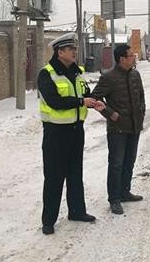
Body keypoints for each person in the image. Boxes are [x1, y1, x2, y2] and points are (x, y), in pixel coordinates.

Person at [37, 32, 105, 235]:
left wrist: (93, 101)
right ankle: (48, 220)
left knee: (75, 173)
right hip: (56, 133)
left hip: (76, 130)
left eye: (74, 49)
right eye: (71, 49)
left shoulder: (77, 72)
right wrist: (81, 102)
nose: (75, 52)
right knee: (54, 177)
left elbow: (84, 94)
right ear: (60, 52)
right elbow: (55, 102)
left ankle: (77, 211)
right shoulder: (46, 74)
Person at [92, 44, 145, 215]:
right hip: (117, 130)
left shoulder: (135, 74)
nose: (134, 57)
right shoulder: (109, 77)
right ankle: (114, 199)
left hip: (134, 126)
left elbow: (141, 97)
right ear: (122, 59)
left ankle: (125, 192)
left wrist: (141, 113)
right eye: (131, 55)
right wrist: (111, 114)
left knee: (129, 161)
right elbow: (94, 98)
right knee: (116, 164)